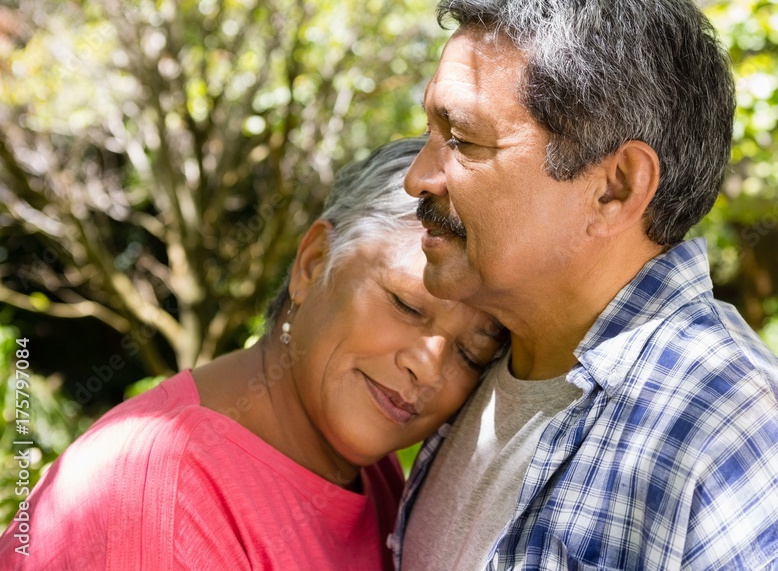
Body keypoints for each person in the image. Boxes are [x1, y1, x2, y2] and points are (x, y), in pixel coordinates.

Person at [396, 0, 778, 570]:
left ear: (616, 188)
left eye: (464, 140)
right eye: (430, 136)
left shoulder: (738, 447)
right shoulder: (471, 368)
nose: (417, 179)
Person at [0, 137, 506, 570]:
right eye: (404, 304)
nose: (430, 365)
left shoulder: (375, 475)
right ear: (312, 264)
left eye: (472, 353)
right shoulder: (163, 493)